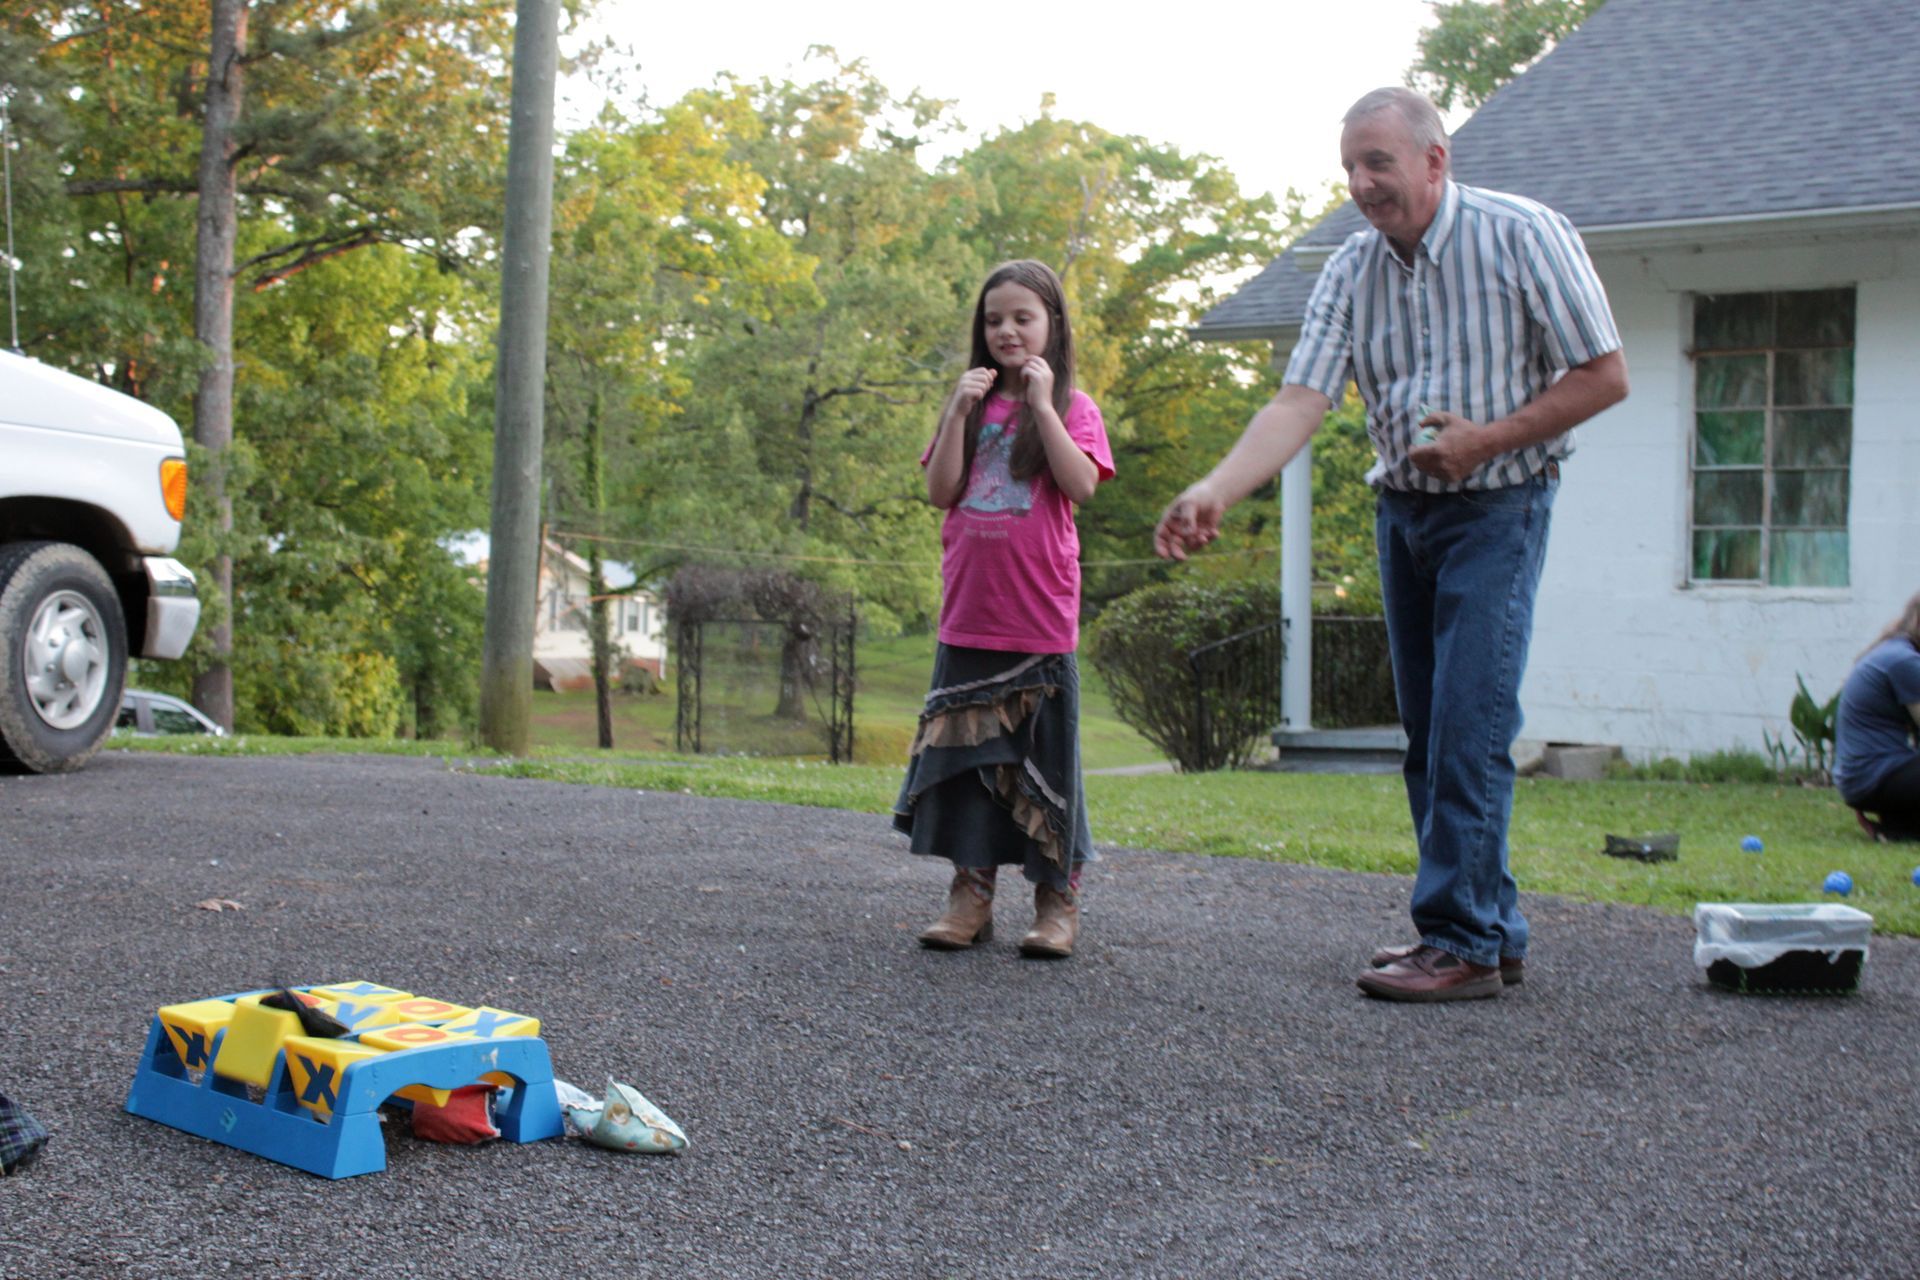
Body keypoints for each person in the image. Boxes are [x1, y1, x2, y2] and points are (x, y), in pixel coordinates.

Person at [1153, 88, 1628, 1002]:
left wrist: (1486, 440)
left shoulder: (1523, 234)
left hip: (1501, 506)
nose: (1362, 184)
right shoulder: (1350, 269)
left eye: (1378, 162)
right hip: (1402, 514)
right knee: (1429, 736)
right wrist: (1216, 487)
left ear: (1434, 160)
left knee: (1468, 727)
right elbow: (1301, 398)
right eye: (1349, 168)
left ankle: (1460, 942)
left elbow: (1605, 375)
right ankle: (1491, 928)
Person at [894, 259, 1114, 959]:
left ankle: (1056, 905)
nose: (1008, 331)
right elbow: (940, 491)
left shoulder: (1074, 407)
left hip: (1038, 618)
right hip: (970, 613)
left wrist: (1043, 408)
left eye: (1024, 318)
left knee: (1047, 764)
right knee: (967, 764)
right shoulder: (971, 405)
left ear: (1054, 325)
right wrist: (956, 411)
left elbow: (1081, 485)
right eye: (994, 320)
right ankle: (970, 896)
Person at [1834, 591, 1920, 841]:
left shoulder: (1893, 650)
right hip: (1876, 776)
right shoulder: (1904, 661)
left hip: (1864, 776)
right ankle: (1897, 825)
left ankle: (1896, 826)